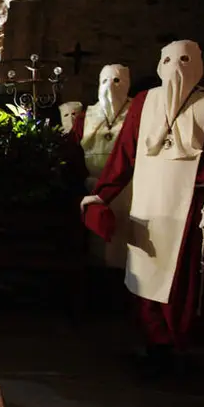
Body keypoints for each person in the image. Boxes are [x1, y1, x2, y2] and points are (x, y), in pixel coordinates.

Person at [81, 41, 204, 376]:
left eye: (185, 60)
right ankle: (154, 345)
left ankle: (177, 348)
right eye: (167, 60)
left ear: (198, 64)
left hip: (189, 209)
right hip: (148, 204)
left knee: (181, 282)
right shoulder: (144, 102)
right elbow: (124, 153)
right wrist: (102, 195)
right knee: (145, 274)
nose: (176, 67)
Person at [70, 64, 132, 268]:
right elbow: (74, 153)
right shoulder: (86, 117)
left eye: (117, 81)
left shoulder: (137, 114)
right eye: (105, 81)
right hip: (93, 187)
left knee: (124, 245)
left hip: (128, 189)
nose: (110, 87)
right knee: (96, 247)